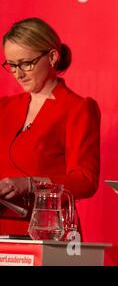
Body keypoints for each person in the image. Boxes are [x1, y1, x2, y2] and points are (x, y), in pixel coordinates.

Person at [0, 18, 100, 237]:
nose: (18, 73)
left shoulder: (78, 108)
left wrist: (30, 184)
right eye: (12, 65)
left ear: (52, 57)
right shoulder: (4, 108)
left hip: (48, 232)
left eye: (26, 63)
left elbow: (85, 181)